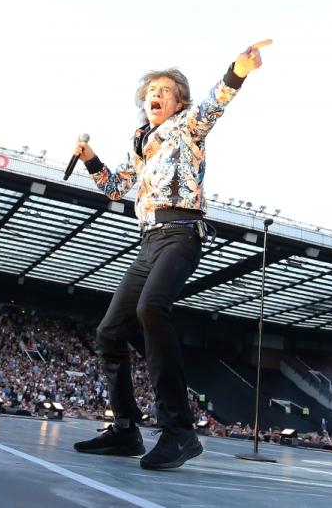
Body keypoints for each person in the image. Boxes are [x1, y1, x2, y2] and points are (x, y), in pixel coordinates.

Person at [72, 40, 272, 470]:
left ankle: (179, 431)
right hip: (149, 240)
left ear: (178, 100)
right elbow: (113, 187)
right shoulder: (141, 143)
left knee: (151, 309)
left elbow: (215, 104)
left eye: (164, 90)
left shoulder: (188, 126)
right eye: (150, 92)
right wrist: (90, 160)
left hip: (182, 232)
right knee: (109, 331)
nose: (155, 96)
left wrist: (236, 72)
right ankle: (126, 430)